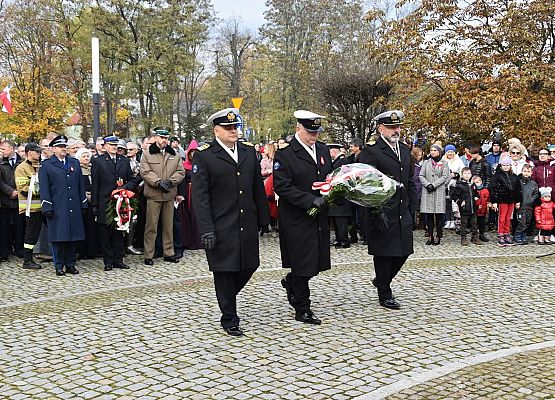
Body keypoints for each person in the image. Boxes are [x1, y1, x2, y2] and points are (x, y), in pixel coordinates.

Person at [192, 108, 270, 336]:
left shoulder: (247, 152)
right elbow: (200, 197)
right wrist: (206, 229)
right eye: (228, 128)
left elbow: (257, 187)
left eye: (235, 127)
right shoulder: (204, 155)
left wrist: (264, 219)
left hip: (246, 221)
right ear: (216, 130)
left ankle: (225, 297)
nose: (233, 131)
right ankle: (229, 317)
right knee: (225, 271)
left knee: (250, 264)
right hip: (221, 224)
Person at [273, 110, 333, 324]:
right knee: (302, 263)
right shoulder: (285, 154)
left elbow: (330, 177)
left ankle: (291, 282)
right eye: (310, 131)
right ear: (298, 129)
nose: (314, 135)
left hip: (319, 216)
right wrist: (309, 200)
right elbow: (282, 186)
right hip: (297, 218)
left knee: (316, 262)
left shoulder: (324, 150)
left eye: (316, 131)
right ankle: (302, 308)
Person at [358, 110, 417, 310]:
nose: (396, 130)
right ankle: (385, 293)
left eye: (398, 127)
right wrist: (376, 210)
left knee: (404, 251)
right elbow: (367, 184)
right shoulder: (372, 151)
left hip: (402, 209)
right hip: (382, 210)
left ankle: (382, 280)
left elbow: (409, 180)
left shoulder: (403, 149)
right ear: (380, 128)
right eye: (391, 127)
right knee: (384, 254)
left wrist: (413, 207)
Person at [39, 135, 88, 276]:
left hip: (73, 206)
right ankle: (59, 265)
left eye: (64, 147)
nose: (63, 149)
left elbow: (80, 185)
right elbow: (45, 189)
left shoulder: (74, 163)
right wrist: (47, 206)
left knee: (73, 237)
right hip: (58, 207)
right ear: (53, 149)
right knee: (59, 238)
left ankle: (71, 264)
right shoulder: (47, 165)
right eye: (60, 147)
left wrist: (83, 203)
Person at [139, 126, 185, 265]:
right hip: (154, 194)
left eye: (166, 138)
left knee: (168, 226)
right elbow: (145, 172)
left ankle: (169, 252)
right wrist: (158, 183)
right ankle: (149, 255)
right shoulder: (147, 154)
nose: (164, 140)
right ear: (156, 138)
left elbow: (180, 172)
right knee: (151, 226)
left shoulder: (175, 154)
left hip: (169, 194)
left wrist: (171, 181)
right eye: (161, 137)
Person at [91, 135, 136, 271]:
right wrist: (95, 205)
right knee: (105, 233)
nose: (114, 147)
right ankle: (108, 261)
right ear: (105, 146)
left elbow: (131, 179)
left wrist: (125, 188)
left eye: (116, 145)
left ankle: (118, 259)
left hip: (121, 199)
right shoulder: (98, 161)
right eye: (111, 145)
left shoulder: (124, 160)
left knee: (119, 231)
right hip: (105, 201)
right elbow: (95, 185)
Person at [14, 143, 43, 269]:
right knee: (31, 234)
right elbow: (24, 189)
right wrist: (44, 191)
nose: (39, 154)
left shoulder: (41, 166)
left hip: (43, 206)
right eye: (36, 152)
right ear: (29, 152)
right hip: (30, 208)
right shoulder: (21, 168)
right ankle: (27, 260)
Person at [419, 144, 450, 245]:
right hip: (428, 191)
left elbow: (445, 176)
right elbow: (421, 175)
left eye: (435, 150)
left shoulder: (444, 163)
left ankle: (438, 235)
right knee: (429, 215)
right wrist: (428, 185)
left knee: (439, 215)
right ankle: (430, 235)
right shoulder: (426, 163)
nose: (432, 152)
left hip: (439, 191)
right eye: (431, 150)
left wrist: (434, 185)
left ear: (439, 152)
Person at [0, 139, 24, 261]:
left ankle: (20, 250)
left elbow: (26, 179)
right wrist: (10, 191)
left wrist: (18, 191)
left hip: (20, 201)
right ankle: (4, 252)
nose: (2, 151)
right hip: (5, 201)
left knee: (20, 226)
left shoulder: (22, 162)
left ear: (12, 149)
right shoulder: (1, 163)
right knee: (4, 228)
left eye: (4, 149)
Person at [490, 155, 521, 246]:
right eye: (504, 165)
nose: (506, 167)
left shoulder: (514, 176)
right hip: (502, 200)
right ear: (501, 166)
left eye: (508, 165)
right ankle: (501, 234)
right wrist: (494, 201)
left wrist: (518, 200)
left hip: (511, 200)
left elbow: (518, 189)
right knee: (502, 218)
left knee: (508, 218)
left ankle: (507, 233)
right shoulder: (497, 176)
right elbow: (493, 189)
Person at [179, 139, 202, 250]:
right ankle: (188, 240)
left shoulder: (202, 164)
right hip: (188, 191)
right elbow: (182, 180)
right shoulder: (184, 165)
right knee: (188, 215)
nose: (193, 154)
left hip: (198, 192)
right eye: (191, 152)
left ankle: (198, 240)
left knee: (197, 215)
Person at [75, 148, 98, 259]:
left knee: (92, 227)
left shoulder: (92, 169)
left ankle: (92, 250)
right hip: (81, 201)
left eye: (87, 156)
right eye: (83, 156)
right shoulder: (76, 169)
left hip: (93, 199)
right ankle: (81, 251)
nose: (86, 158)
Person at [450, 168, 483, 246]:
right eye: (465, 173)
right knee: (464, 224)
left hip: (473, 208)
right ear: (462, 174)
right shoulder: (459, 185)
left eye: (468, 173)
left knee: (474, 223)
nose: (467, 175)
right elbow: (454, 196)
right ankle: (463, 237)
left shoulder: (473, 185)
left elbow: (476, 193)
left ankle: (475, 236)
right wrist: (460, 202)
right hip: (464, 208)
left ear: (471, 175)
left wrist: (477, 197)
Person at [328, 143, 352, 248]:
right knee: (337, 220)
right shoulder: (338, 161)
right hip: (337, 197)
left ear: (334, 151)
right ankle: (339, 239)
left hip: (341, 197)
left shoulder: (342, 161)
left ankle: (344, 241)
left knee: (341, 221)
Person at [515, 164, 539, 244]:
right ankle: (518, 235)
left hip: (529, 206)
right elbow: (517, 192)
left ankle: (523, 236)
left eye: (528, 171)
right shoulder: (519, 182)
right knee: (521, 222)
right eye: (525, 171)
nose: (526, 173)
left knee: (527, 222)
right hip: (521, 206)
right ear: (522, 171)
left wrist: (531, 200)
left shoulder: (533, 183)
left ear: (531, 173)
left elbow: (536, 193)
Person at [443, 144, 465, 230]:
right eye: (448, 152)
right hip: (445, 184)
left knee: (453, 202)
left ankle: (453, 220)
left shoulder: (458, 161)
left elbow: (462, 170)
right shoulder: (443, 160)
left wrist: (456, 175)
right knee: (446, 202)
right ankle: (448, 220)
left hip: (455, 184)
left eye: (451, 152)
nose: (450, 153)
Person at [472, 175, 490, 242]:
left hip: (483, 210)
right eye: (475, 183)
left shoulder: (485, 191)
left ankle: (482, 235)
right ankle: (474, 236)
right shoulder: (472, 191)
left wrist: (488, 205)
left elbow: (488, 199)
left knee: (482, 223)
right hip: (475, 211)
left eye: (477, 182)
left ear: (481, 182)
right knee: (474, 224)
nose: (476, 184)